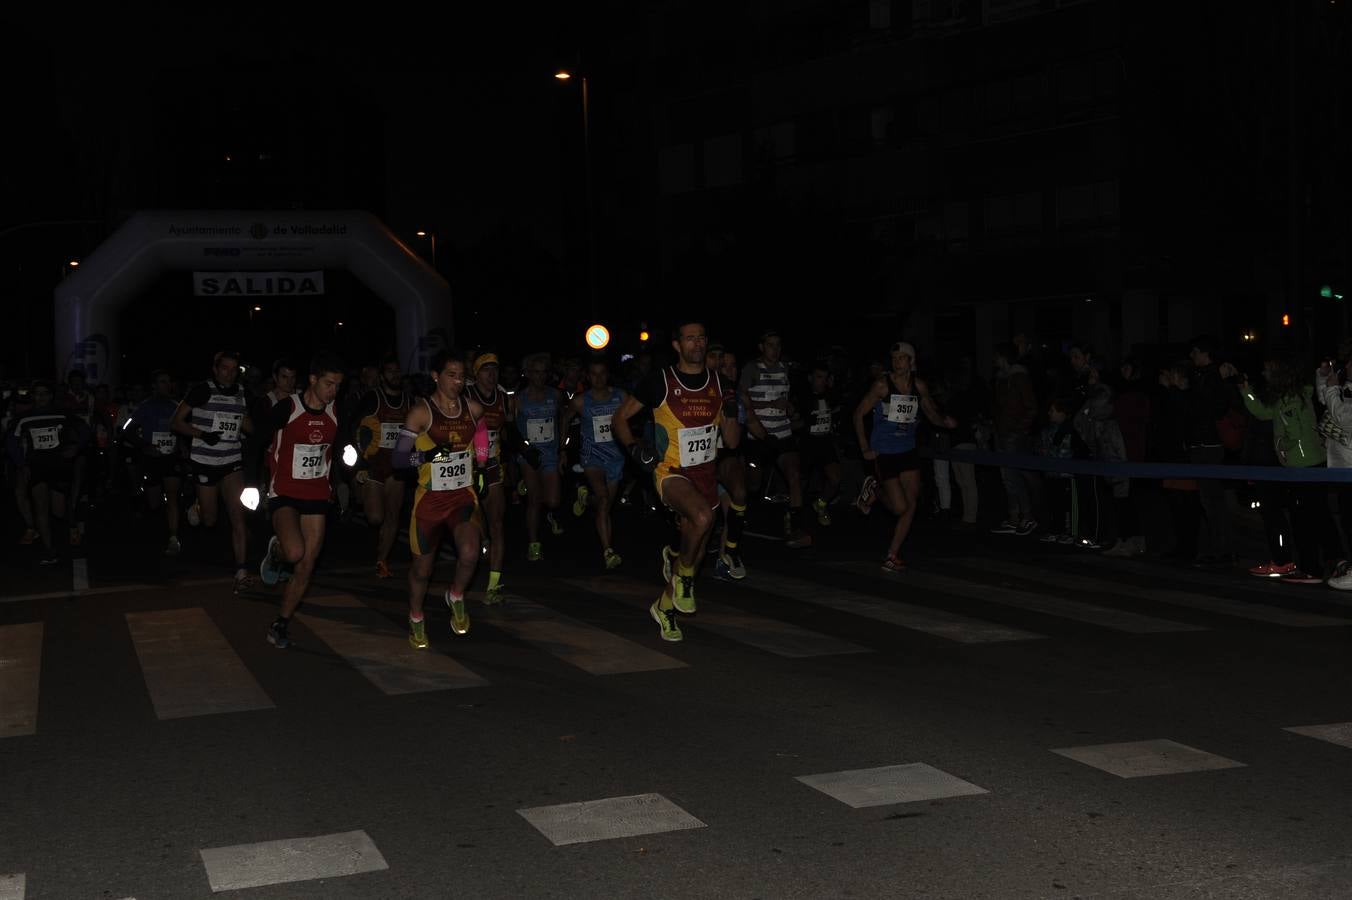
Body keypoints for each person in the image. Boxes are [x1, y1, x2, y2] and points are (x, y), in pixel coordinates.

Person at [614, 319, 741, 641]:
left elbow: (733, 441)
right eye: (689, 338)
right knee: (703, 516)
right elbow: (620, 418)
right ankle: (681, 573)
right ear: (677, 345)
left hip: (706, 474)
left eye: (701, 338)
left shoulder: (721, 383)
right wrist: (632, 448)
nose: (697, 344)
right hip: (670, 472)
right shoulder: (659, 381)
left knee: (696, 550)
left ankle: (664, 606)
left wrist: (731, 410)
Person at [393, 350, 492, 649]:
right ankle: (416, 616)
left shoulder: (472, 409)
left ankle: (457, 595)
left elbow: (483, 433)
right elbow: (398, 460)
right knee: (422, 570)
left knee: (472, 552)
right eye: (451, 375)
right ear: (436, 376)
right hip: (429, 503)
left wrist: (483, 465)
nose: (458, 381)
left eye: (462, 376)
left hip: (461, 496)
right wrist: (426, 455)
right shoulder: (421, 413)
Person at [260, 355, 345, 649]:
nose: (333, 390)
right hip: (284, 492)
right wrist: (251, 482)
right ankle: (277, 551)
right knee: (295, 553)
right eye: (328, 383)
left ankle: (280, 622)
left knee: (307, 564)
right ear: (313, 380)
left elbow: (341, 445)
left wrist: (351, 463)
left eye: (338, 385)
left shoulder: (336, 411)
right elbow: (258, 439)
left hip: (317, 495)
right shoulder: (288, 407)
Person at [851, 341, 955, 572]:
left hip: (908, 450)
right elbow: (858, 414)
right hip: (884, 452)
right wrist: (864, 448)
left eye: (902, 357)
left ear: (911, 361)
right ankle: (874, 490)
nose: (897, 362)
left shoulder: (919, 386)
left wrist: (945, 422)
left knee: (910, 505)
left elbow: (931, 414)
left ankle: (892, 554)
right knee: (899, 507)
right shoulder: (882, 386)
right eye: (894, 358)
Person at [171, 350, 255, 592]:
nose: (229, 373)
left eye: (234, 369)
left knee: (237, 516)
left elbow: (246, 424)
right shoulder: (202, 390)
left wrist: (260, 430)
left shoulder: (241, 393)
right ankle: (197, 505)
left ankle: (241, 571)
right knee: (209, 520)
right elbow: (175, 422)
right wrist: (202, 434)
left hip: (231, 461)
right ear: (216, 369)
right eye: (225, 368)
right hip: (205, 461)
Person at [7, 381, 90, 565]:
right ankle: (49, 550)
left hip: (59, 466)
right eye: (37, 393)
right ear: (33, 396)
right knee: (41, 507)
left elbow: (84, 429)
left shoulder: (62, 414)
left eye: (45, 393)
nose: (41, 397)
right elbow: (11, 443)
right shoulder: (24, 418)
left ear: (51, 396)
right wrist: (21, 464)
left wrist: (76, 448)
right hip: (36, 467)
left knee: (59, 510)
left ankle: (71, 525)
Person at [740, 330, 810, 547]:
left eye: (778, 345)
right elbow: (742, 403)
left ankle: (795, 526)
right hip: (758, 435)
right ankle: (737, 513)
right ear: (762, 347)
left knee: (794, 475)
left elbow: (784, 399)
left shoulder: (784, 368)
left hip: (782, 433)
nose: (775, 349)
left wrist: (788, 407)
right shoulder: (751, 369)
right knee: (753, 484)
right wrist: (770, 405)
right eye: (770, 345)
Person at [561, 355, 628, 569]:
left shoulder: (620, 396)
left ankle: (584, 498)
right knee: (604, 497)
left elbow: (633, 418)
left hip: (615, 458)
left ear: (607, 375)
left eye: (602, 373)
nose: (598, 378)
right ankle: (608, 551)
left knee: (604, 505)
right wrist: (562, 448)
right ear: (588, 377)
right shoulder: (581, 401)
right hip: (592, 458)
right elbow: (564, 418)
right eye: (594, 374)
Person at [349, 356, 410, 578]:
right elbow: (353, 425)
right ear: (383, 376)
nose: (395, 375)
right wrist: (358, 461)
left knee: (393, 515)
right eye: (390, 371)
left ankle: (382, 560)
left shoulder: (408, 401)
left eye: (397, 371)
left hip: (397, 467)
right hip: (374, 465)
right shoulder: (373, 398)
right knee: (375, 517)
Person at [466, 351, 514, 602]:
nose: (491, 374)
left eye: (495, 369)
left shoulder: (504, 398)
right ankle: (481, 539)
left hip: (493, 465)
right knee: (473, 520)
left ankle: (494, 584)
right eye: (486, 369)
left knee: (498, 521)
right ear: (476, 374)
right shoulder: (465, 396)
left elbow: (508, 433)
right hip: (467, 467)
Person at [126, 370, 185, 555]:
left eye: (168, 382)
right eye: (162, 382)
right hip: (151, 459)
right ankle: (158, 528)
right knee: (154, 502)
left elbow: (186, 430)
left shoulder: (178, 406)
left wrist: (182, 446)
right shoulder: (145, 407)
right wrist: (145, 446)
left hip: (171, 458)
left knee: (173, 496)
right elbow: (128, 431)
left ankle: (174, 537)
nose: (166, 385)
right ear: (154, 385)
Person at [515, 353, 564, 562]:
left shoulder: (555, 395)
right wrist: (524, 449)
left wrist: (563, 449)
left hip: (551, 453)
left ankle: (550, 513)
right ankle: (534, 543)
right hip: (529, 456)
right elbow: (512, 430)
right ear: (527, 374)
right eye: (536, 372)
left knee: (552, 501)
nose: (540, 376)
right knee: (534, 500)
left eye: (544, 372)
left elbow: (563, 420)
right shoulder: (519, 399)